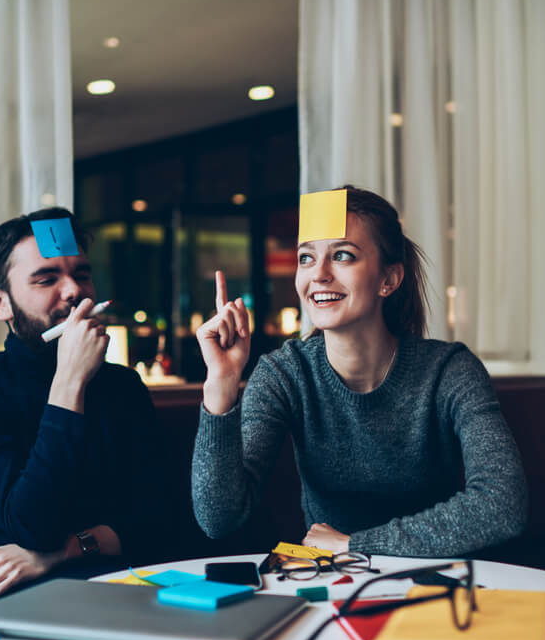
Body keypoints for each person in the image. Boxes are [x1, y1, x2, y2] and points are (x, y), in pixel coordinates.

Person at [191, 186, 527, 556]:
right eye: (306, 258)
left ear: (390, 279)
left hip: (435, 584)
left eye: (343, 256)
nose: (318, 275)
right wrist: (221, 385)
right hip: (333, 583)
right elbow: (218, 519)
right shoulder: (284, 374)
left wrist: (356, 545)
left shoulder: (449, 370)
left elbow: (502, 503)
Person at [0, 207, 172, 640]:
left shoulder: (122, 387)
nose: (75, 292)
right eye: (46, 279)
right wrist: (69, 383)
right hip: (11, 613)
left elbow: (162, 521)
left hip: (128, 595)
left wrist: (59, 553)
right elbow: (30, 525)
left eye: (82, 273)